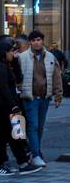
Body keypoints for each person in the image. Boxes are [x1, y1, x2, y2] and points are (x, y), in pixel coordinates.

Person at [0, 37, 40, 176]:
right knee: (2, 135)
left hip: (4, 105)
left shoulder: (5, 65)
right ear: (4, 52)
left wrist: (15, 60)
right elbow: (4, 89)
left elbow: (18, 78)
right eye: (11, 51)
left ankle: (21, 162)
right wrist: (14, 106)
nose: (13, 53)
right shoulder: (0, 68)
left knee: (13, 134)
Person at [17, 30, 63, 168]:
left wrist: (58, 94)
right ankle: (36, 155)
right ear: (30, 42)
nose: (36, 42)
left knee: (40, 127)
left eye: (38, 39)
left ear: (42, 41)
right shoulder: (23, 57)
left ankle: (33, 152)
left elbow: (56, 76)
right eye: (33, 40)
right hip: (29, 97)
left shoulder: (50, 57)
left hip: (44, 97)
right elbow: (16, 75)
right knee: (33, 126)